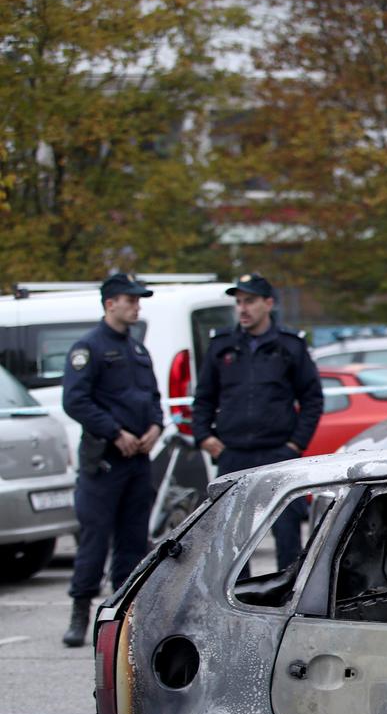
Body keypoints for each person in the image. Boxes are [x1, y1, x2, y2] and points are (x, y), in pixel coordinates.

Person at [190, 273, 324, 570]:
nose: (243, 309)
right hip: (233, 454)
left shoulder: (290, 345)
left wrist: (294, 444)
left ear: (268, 303)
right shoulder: (222, 345)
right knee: (233, 540)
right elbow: (203, 399)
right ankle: (236, 603)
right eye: (238, 302)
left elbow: (312, 398)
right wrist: (206, 439)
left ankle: (285, 601)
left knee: (286, 532)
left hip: (278, 454)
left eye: (249, 301)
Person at [59, 274, 164, 647]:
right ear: (110, 304)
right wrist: (115, 432)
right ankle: (80, 610)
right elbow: (75, 400)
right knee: (94, 540)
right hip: (104, 461)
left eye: (138, 300)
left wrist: (155, 427)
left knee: (134, 542)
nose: (136, 306)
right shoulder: (89, 348)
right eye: (130, 300)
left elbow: (152, 397)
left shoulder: (137, 350)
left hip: (137, 461)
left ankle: (121, 618)